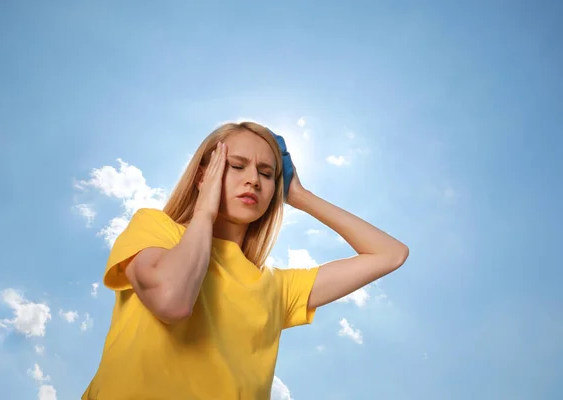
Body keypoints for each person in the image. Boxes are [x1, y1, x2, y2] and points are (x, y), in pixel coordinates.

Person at [81, 121, 409, 400]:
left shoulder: (277, 288)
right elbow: (171, 300)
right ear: (202, 176)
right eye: (236, 166)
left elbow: (390, 254)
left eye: (266, 173)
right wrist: (205, 211)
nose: (253, 178)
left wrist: (299, 196)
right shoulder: (156, 229)